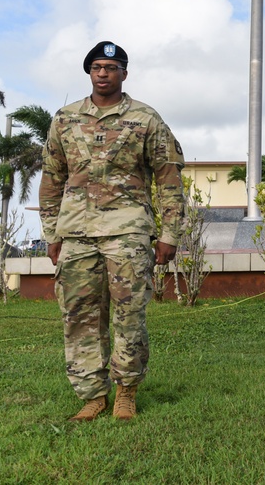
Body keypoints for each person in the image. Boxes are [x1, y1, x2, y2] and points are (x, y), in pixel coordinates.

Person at [40, 41, 185, 422]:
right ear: (88, 72)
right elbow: (52, 177)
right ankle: (91, 394)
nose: (103, 73)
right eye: (96, 67)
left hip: (127, 231)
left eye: (111, 66)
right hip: (77, 233)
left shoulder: (146, 119)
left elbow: (169, 179)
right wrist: (51, 233)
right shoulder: (65, 119)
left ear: (124, 72)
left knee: (128, 314)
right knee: (79, 314)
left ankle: (126, 392)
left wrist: (170, 234)